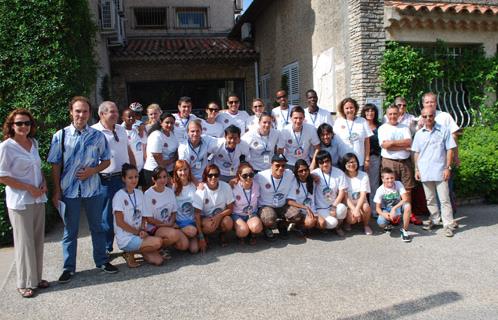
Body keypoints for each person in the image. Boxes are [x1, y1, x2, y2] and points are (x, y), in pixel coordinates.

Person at [48, 96, 117, 284]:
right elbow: (55, 164)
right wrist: (56, 191)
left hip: (93, 190)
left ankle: (102, 261)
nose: (81, 115)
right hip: (69, 192)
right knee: (70, 231)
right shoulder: (60, 136)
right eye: (77, 111)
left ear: (89, 113)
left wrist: (93, 171)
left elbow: (107, 161)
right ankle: (68, 268)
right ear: (71, 112)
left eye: (85, 111)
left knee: (98, 227)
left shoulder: (97, 136)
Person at [0, 109, 48, 298]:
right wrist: (28, 188)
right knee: (23, 242)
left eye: (27, 123)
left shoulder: (33, 143)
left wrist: (43, 181)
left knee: (37, 240)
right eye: (19, 123)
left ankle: (36, 279)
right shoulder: (6, 147)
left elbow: (38, 167)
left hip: (38, 198)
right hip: (20, 202)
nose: (24, 127)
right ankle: (23, 283)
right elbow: (2, 176)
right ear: (11, 126)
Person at [92, 101, 135, 254]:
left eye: (116, 111)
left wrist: (134, 170)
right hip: (106, 180)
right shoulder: (94, 132)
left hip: (124, 178)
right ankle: (106, 248)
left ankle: (129, 244)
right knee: (107, 216)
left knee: (128, 212)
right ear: (102, 114)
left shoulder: (121, 129)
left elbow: (127, 149)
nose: (116, 114)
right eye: (112, 111)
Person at [412, 107, 458, 237]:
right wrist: (416, 169)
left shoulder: (444, 130)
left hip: (440, 171)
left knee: (444, 199)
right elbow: (417, 153)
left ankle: (448, 225)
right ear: (422, 117)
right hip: (425, 171)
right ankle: (434, 219)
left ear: (434, 116)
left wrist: (448, 167)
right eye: (425, 116)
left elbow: (450, 149)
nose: (428, 118)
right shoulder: (419, 134)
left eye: (430, 116)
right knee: (430, 199)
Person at [112, 163, 164, 268]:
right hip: (126, 238)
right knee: (158, 242)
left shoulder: (139, 193)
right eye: (130, 177)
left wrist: (143, 230)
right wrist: (138, 232)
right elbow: (120, 222)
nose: (134, 180)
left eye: (136, 177)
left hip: (139, 234)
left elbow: (144, 217)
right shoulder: (119, 196)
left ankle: (135, 251)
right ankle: (128, 252)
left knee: (158, 261)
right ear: (123, 179)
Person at [377, 104, 420, 225]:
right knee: (390, 189)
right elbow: (385, 146)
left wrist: (392, 144)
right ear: (387, 115)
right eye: (390, 114)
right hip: (389, 162)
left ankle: (408, 213)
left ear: (398, 114)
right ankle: (392, 214)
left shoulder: (404, 127)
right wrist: (401, 146)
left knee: (407, 190)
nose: (392, 116)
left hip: (405, 162)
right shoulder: (383, 128)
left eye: (395, 114)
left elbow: (409, 142)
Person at [143, 166, 188, 257]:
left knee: (184, 245)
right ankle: (157, 247)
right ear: (153, 179)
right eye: (159, 177)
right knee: (174, 235)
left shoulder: (169, 191)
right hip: (155, 227)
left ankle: (166, 242)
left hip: (168, 225)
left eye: (164, 177)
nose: (163, 180)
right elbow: (149, 219)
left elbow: (174, 212)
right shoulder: (148, 194)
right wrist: (166, 225)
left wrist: (171, 222)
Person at [255, 153, 300, 241]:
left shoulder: (289, 174)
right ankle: (268, 228)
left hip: (282, 205)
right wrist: (236, 180)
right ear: (271, 165)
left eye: (283, 165)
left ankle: (282, 225)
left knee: (297, 215)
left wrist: (313, 176)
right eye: (277, 165)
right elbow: (249, 182)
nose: (281, 168)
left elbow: (301, 175)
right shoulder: (260, 176)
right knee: (269, 218)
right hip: (266, 206)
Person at [193, 164, 234, 247]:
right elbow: (196, 215)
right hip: (206, 219)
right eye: (210, 175)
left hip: (221, 216)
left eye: (216, 175)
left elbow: (231, 208)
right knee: (209, 226)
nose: (213, 177)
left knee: (228, 222)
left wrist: (219, 216)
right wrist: (201, 237)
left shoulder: (226, 186)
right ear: (205, 176)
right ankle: (206, 235)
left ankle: (222, 234)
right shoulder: (201, 191)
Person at [311, 150, 348, 235]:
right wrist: (311, 176)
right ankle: (322, 226)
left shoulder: (339, 173)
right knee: (332, 223)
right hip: (321, 207)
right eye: (321, 162)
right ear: (318, 163)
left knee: (342, 208)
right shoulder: (315, 173)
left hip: (333, 204)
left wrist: (334, 206)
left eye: (327, 161)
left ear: (331, 161)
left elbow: (342, 191)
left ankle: (338, 227)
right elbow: (305, 175)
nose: (325, 164)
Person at [373, 168, 412, 242]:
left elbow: (405, 199)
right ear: (382, 179)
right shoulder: (380, 190)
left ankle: (404, 230)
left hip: (398, 208)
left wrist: (394, 208)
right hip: (387, 209)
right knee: (381, 222)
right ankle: (389, 224)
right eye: (387, 178)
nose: (390, 180)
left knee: (408, 206)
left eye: (392, 178)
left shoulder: (398, 183)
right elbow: (377, 208)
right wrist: (383, 214)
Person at [172, 160, 203, 253]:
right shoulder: (172, 187)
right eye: (180, 170)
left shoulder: (194, 185)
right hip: (180, 222)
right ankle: (179, 230)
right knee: (192, 232)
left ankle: (189, 236)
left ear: (189, 170)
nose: (183, 172)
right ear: (176, 172)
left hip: (193, 221)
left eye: (185, 169)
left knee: (194, 250)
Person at [333, 98, 372, 170]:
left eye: (351, 107)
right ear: (343, 109)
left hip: (359, 161)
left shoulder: (362, 121)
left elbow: (367, 141)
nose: (349, 110)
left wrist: (367, 159)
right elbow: (334, 140)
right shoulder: (338, 122)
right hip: (343, 161)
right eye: (347, 108)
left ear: (355, 108)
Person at [230, 163, 263, 244]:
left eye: (251, 174)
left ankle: (252, 234)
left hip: (252, 213)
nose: (248, 178)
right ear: (239, 176)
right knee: (242, 231)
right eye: (245, 176)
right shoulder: (233, 186)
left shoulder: (257, 185)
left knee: (256, 228)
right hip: (237, 214)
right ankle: (241, 233)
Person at [340, 153, 373, 235]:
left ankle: (366, 225)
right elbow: (345, 197)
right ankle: (347, 222)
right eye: (349, 162)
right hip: (349, 204)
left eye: (354, 162)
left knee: (366, 207)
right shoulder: (342, 176)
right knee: (352, 220)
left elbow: (363, 195)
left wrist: (357, 209)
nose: (352, 164)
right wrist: (353, 209)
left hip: (360, 203)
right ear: (344, 164)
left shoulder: (364, 175)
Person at [143, 113, 178, 187]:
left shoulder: (172, 134)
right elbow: (159, 161)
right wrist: (168, 177)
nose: (169, 125)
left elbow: (176, 151)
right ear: (161, 122)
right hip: (155, 171)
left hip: (168, 170)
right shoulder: (156, 135)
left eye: (172, 123)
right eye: (167, 122)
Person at [286, 159, 318, 235]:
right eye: (300, 171)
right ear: (296, 172)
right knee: (310, 223)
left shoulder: (312, 180)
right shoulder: (294, 182)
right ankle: (298, 226)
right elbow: (289, 201)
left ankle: (303, 226)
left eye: (305, 170)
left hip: (312, 209)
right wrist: (304, 207)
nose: (304, 173)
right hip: (301, 211)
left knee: (322, 224)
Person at [361, 104, 382, 216]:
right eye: (367, 111)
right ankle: (363, 210)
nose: (370, 113)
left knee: (374, 184)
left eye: (372, 111)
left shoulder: (379, 126)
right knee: (362, 185)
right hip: (360, 158)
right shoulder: (360, 124)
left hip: (374, 158)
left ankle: (374, 210)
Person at [122, 108, 146, 188]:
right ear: (123, 118)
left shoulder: (136, 129)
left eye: (133, 116)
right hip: (131, 170)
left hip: (141, 167)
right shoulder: (121, 132)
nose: (131, 118)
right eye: (129, 116)